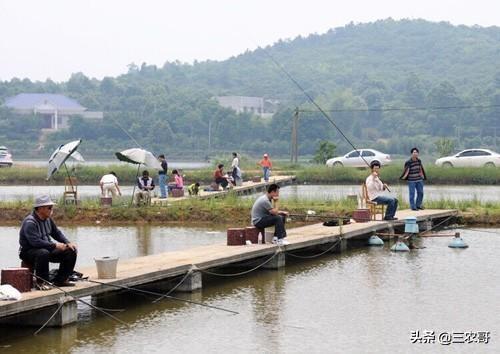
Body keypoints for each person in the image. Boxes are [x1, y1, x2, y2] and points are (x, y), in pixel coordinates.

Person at [19, 195, 78, 288]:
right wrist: (55, 245)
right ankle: (42, 282)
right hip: (29, 251)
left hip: (46, 249)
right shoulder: (30, 222)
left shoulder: (48, 219)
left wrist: (68, 242)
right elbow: (35, 242)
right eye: (49, 208)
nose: (52, 210)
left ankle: (61, 280)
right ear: (40, 208)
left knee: (71, 251)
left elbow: (56, 233)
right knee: (43, 253)